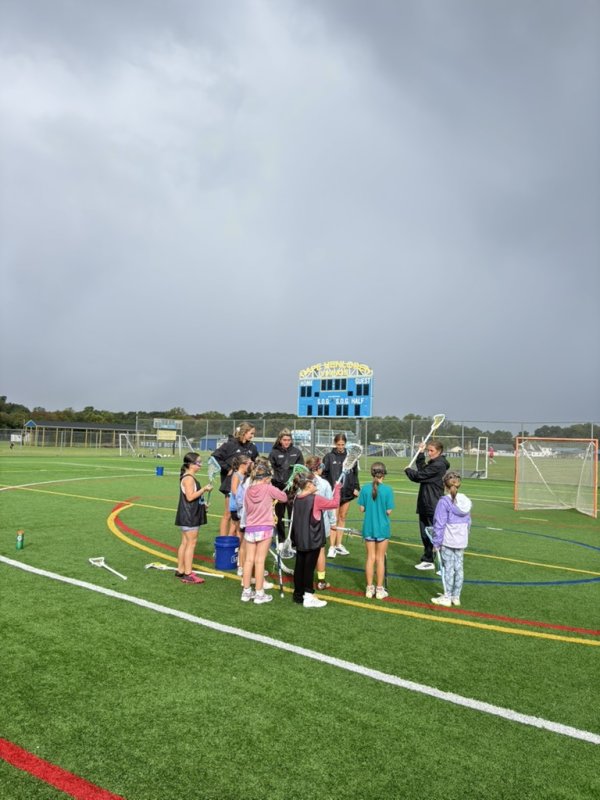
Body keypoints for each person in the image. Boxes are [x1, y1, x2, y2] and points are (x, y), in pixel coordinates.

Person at [290, 470, 341, 608]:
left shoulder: (297, 497)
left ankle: (298, 595)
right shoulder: (315, 499)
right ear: (308, 484)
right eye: (313, 481)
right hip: (312, 539)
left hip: (300, 539)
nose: (316, 483)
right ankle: (308, 595)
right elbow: (335, 503)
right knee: (308, 568)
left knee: (300, 566)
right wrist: (337, 489)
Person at [241, 461, 288, 604]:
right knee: (259, 561)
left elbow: (247, 508)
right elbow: (284, 497)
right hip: (265, 527)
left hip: (250, 527)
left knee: (249, 560)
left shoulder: (248, 489)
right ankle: (259, 593)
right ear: (267, 477)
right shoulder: (268, 488)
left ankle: (246, 591)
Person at [404, 440, 450, 570]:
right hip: (426, 502)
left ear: (439, 451)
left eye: (431, 451)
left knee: (434, 534)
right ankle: (428, 559)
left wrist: (408, 471)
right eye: (428, 450)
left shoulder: (439, 465)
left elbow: (419, 476)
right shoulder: (434, 463)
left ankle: (442, 564)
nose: (429, 453)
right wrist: (420, 453)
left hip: (432, 503)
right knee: (425, 533)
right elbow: (423, 469)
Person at [430, 471, 472, 607]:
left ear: (445, 485)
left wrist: (436, 542)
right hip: (461, 540)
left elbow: (439, 524)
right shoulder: (465, 501)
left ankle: (447, 596)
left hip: (448, 540)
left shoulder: (444, 502)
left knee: (448, 568)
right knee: (459, 568)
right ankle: (456, 596)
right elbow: (469, 522)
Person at [211, 423, 259, 536]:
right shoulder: (230, 445)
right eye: (251, 433)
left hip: (246, 485)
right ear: (244, 432)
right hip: (230, 485)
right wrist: (228, 468)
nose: (252, 436)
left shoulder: (252, 447)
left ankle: (234, 543)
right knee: (228, 514)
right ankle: (222, 543)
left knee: (240, 515)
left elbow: (256, 463)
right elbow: (214, 457)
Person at [174, 452, 213, 584]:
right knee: (191, 544)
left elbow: (191, 498)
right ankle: (188, 573)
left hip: (188, 514)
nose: (200, 465)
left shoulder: (187, 477)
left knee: (185, 543)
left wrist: (202, 505)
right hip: (190, 516)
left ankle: (181, 570)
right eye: (198, 463)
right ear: (191, 465)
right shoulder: (189, 478)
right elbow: (190, 497)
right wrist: (204, 489)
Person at [358, 462, 395, 599]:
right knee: (380, 559)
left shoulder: (365, 489)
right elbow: (388, 511)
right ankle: (379, 589)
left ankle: (369, 588)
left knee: (370, 558)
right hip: (382, 529)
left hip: (369, 527)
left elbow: (362, 509)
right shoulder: (388, 490)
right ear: (383, 474)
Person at [322, 433, 360, 557]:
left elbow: (354, 474)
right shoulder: (329, 457)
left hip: (347, 492)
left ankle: (339, 544)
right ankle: (332, 546)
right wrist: (328, 489)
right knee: (334, 519)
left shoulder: (350, 457)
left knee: (343, 517)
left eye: (343, 444)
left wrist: (356, 487)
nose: (340, 447)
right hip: (334, 494)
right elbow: (324, 474)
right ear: (335, 443)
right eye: (338, 444)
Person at [305, 455, 336, 590]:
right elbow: (330, 505)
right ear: (318, 468)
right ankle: (321, 580)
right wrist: (333, 522)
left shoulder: (301, 481)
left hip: (304, 523)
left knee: (305, 551)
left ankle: (304, 578)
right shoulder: (324, 484)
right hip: (319, 523)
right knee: (320, 551)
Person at [269, 428, 304, 545]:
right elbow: (270, 470)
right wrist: (277, 481)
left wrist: (296, 480)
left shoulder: (297, 452)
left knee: (293, 515)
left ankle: (293, 540)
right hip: (278, 489)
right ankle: (281, 539)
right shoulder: (274, 453)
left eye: (289, 440)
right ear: (280, 440)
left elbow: (301, 470)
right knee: (279, 515)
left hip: (292, 490)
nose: (287, 442)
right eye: (284, 440)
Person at [229, 455, 252, 572]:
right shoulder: (236, 475)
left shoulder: (246, 476)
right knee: (240, 535)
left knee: (242, 535)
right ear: (243, 464)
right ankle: (240, 563)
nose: (250, 465)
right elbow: (234, 491)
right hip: (236, 508)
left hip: (243, 508)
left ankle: (243, 562)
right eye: (249, 463)